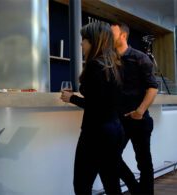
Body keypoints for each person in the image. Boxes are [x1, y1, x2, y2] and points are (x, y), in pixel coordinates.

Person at [61, 21, 124, 194]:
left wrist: (72, 98)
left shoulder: (94, 66)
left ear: (94, 41)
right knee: (112, 184)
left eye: (84, 39)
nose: (81, 43)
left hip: (95, 134)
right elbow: (109, 102)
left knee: (81, 185)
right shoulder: (115, 65)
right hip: (115, 130)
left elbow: (97, 106)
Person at [111, 22, 158, 194]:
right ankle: (135, 189)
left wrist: (140, 110)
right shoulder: (109, 60)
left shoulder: (140, 57)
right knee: (111, 158)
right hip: (117, 120)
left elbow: (153, 87)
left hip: (139, 119)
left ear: (123, 36)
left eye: (112, 34)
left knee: (144, 162)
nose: (108, 37)